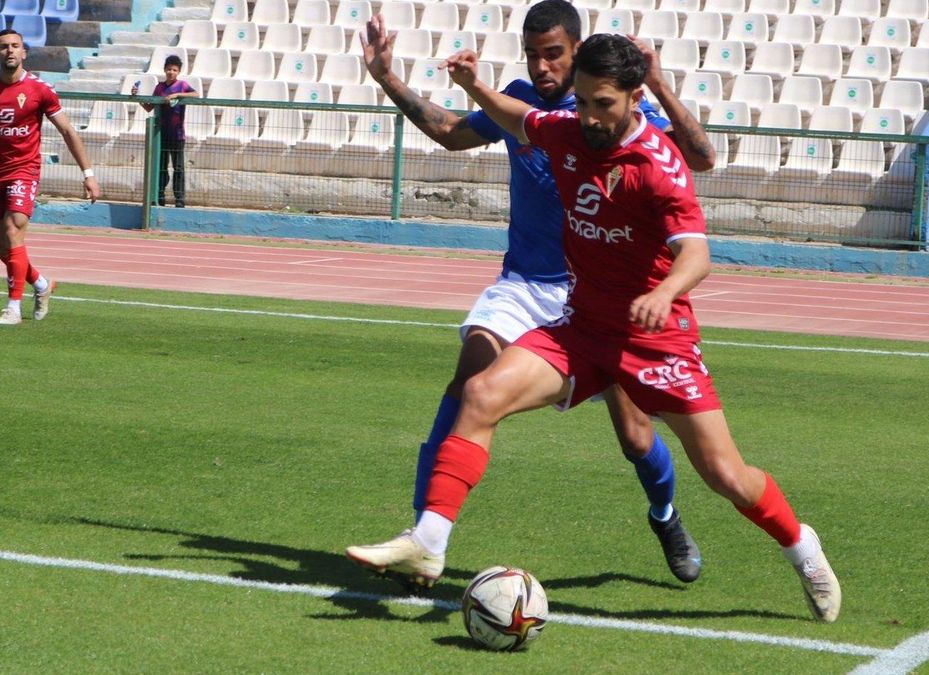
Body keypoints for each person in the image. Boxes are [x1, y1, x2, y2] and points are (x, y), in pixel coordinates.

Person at [348, 34, 842, 623]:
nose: (588, 116)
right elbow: (520, 118)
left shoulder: (657, 164)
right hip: (581, 327)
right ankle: (429, 541)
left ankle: (802, 548)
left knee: (725, 475)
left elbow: (697, 253)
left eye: (602, 103)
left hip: (654, 339)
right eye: (581, 101)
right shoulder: (568, 129)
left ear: (635, 97)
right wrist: (474, 87)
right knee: (480, 393)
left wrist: (664, 292)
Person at [353, 0, 717, 584]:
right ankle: (424, 533)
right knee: (470, 376)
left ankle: (666, 515)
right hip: (526, 282)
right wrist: (386, 76)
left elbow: (699, 157)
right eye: (533, 55)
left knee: (634, 435)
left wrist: (655, 81)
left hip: (600, 297)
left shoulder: (608, 112)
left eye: (554, 55)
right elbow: (448, 132)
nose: (543, 67)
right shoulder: (519, 101)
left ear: (577, 54)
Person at [0, 29, 100, 326]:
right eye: (3, 47)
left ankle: (13, 308)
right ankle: (41, 283)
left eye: (15, 46)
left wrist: (88, 174)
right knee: (1, 246)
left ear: (24, 53)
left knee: (14, 228)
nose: (10, 51)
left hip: (25, 170)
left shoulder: (41, 90)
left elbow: (68, 131)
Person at [132, 54, 197, 208]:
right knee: (161, 167)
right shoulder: (159, 88)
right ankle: (159, 196)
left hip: (178, 134)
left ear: (178, 71)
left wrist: (177, 95)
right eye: (169, 69)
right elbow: (149, 107)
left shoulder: (182, 85)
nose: (171, 72)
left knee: (178, 168)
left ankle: (179, 199)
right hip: (161, 134)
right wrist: (137, 97)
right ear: (164, 70)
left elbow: (196, 94)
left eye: (174, 70)